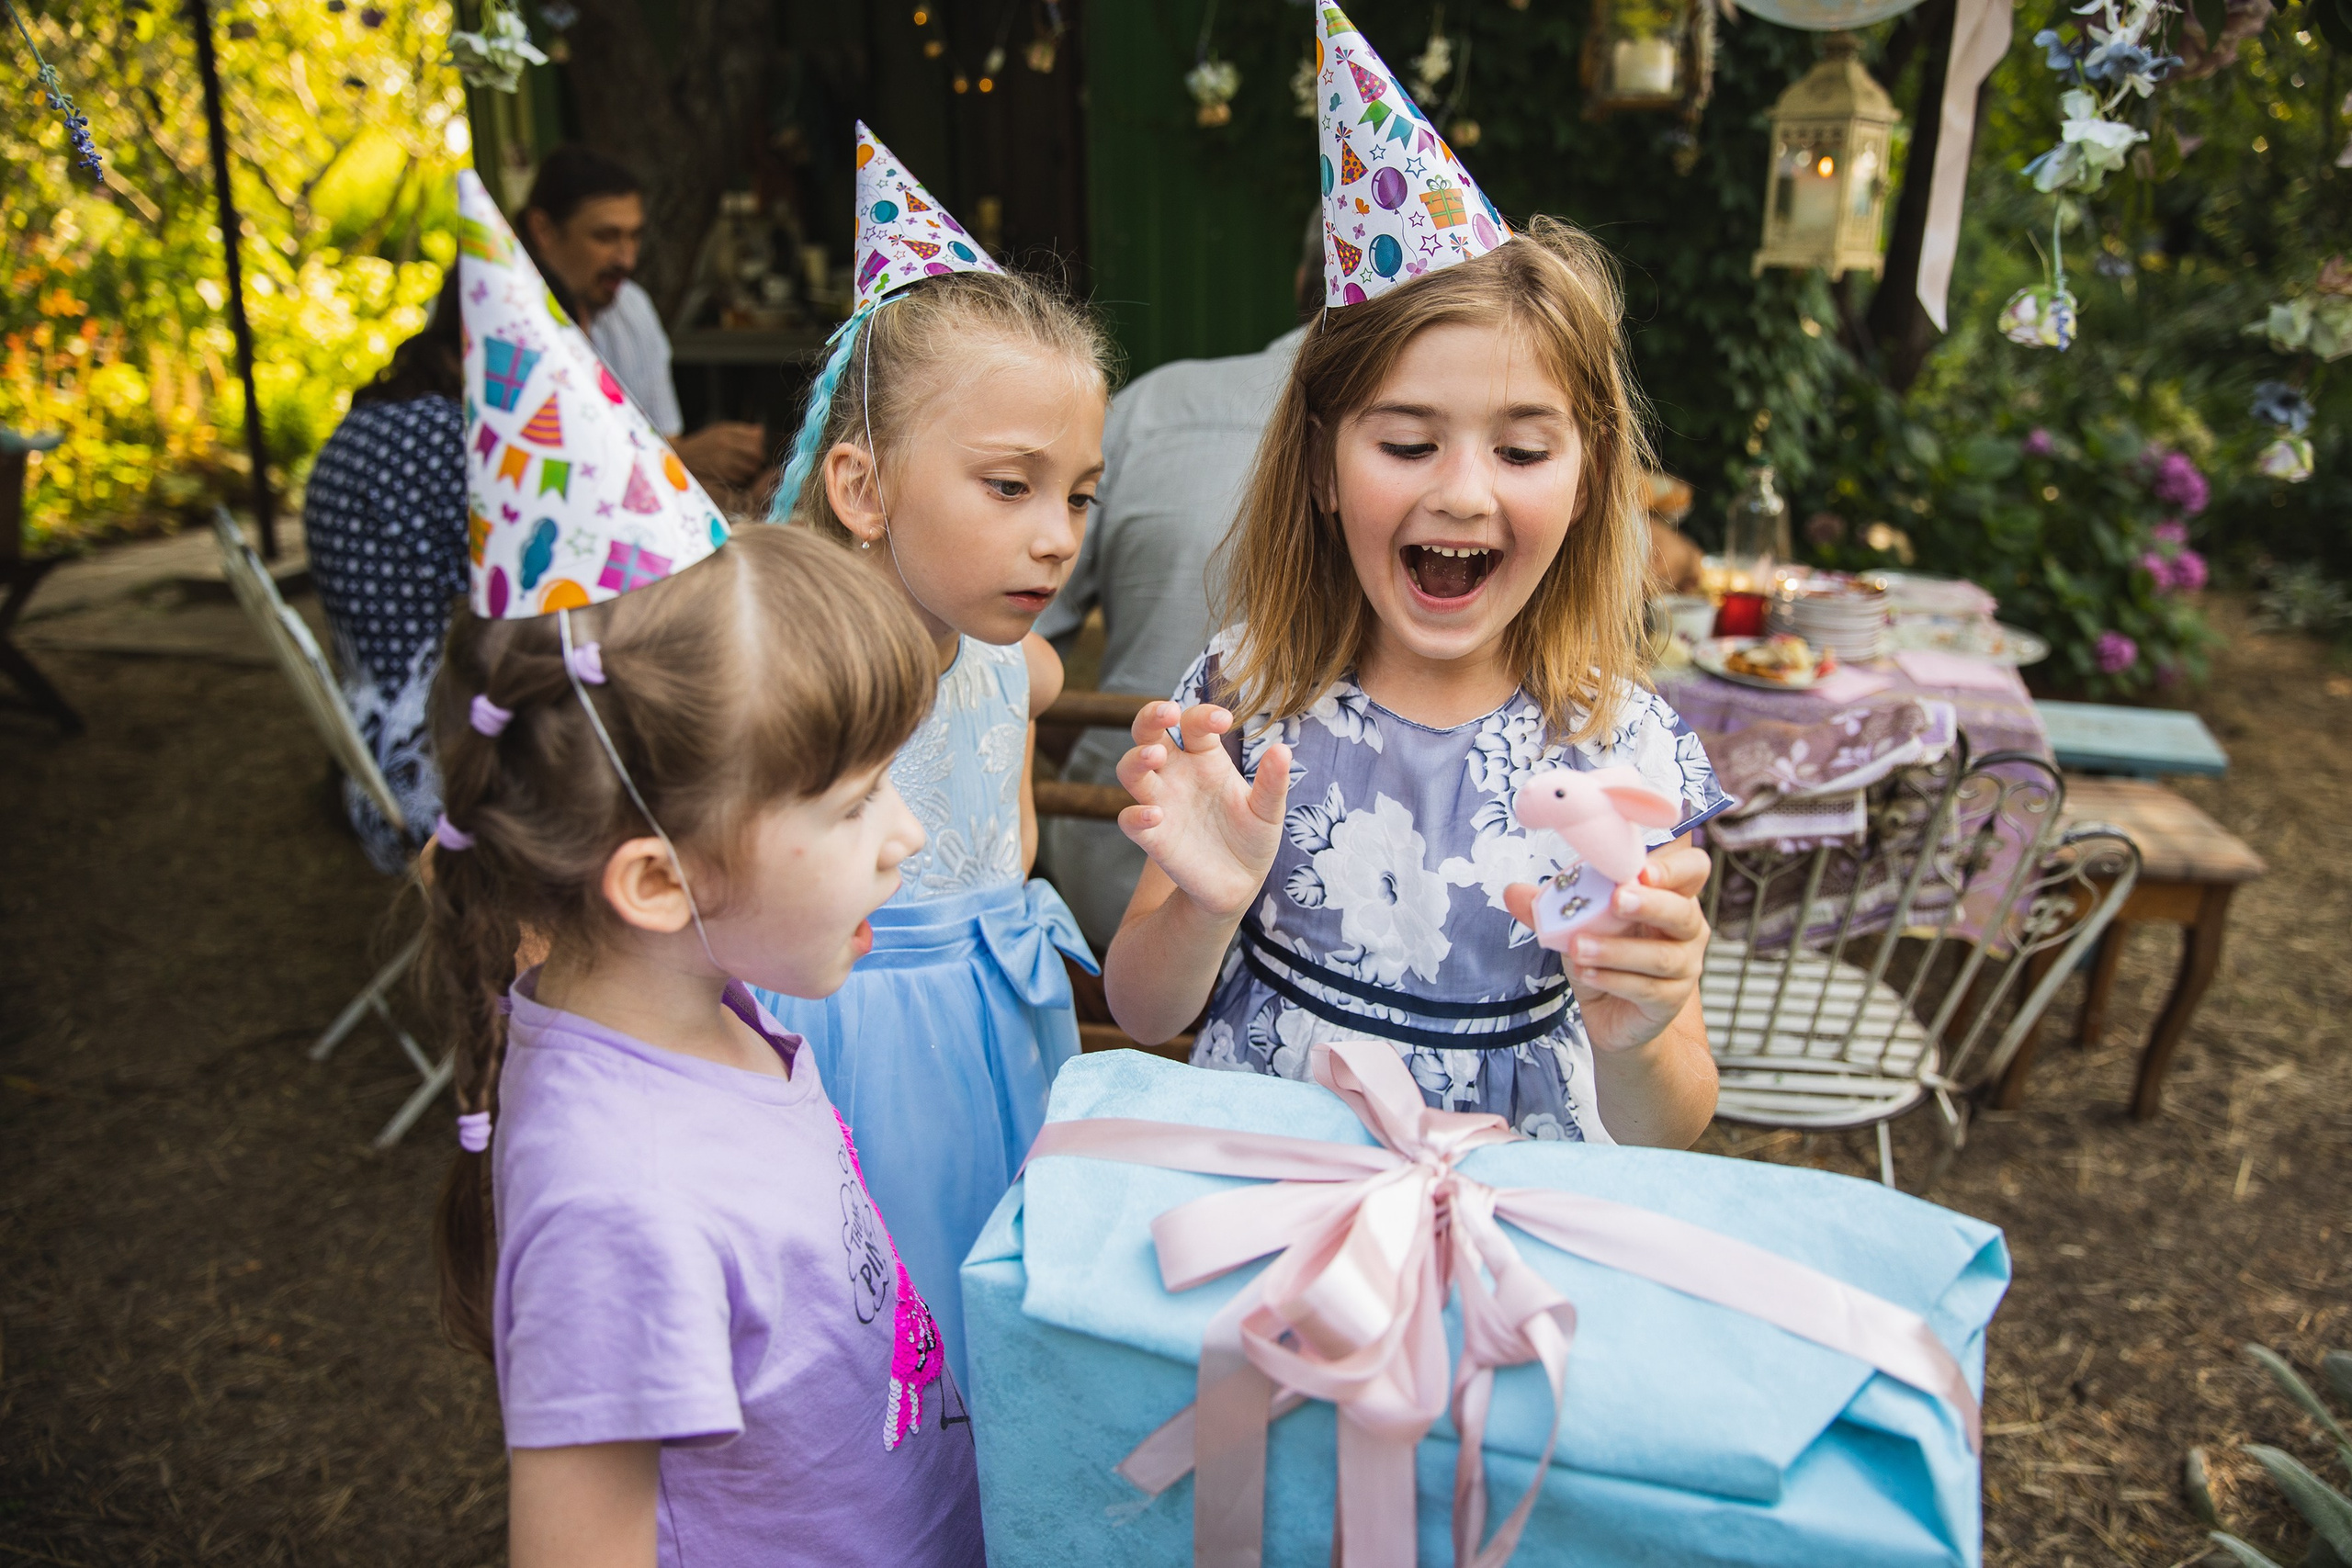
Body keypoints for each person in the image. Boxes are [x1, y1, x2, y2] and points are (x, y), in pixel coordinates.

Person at [429, 174, 982, 1568]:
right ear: (659, 881)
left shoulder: (708, 998)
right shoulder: (619, 1201)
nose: (906, 836)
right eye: (854, 803)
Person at [1099, 10, 1729, 1148]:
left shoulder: (1624, 753)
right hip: (1279, 1181)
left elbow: (1669, 1125)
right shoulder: (1247, 699)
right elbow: (1145, 1011)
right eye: (1405, 443)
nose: (1464, 493)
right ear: (1323, 468)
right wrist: (1204, 900)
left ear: (1588, 482)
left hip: (1513, 1204)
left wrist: (1641, 1034)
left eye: (1522, 451)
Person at [749, 125, 1112, 1390]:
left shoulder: (1009, 660)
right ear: (862, 489)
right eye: (1010, 486)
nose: (1057, 537)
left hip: (1008, 1030)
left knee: (1005, 1335)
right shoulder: (794, 680)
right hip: (863, 1050)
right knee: (891, 1345)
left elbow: (1025, 686)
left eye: (1078, 494)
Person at [1036, 210, 1325, 953]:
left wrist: (1110, 755)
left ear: (1301, 282)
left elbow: (1012, 642)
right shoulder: (1465, 480)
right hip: (1316, 909)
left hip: (1114, 859)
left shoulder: (1155, 406)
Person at [301, 265, 469, 871]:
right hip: (428, 774)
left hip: (373, 751)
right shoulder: (444, 435)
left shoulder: (382, 420)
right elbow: (542, 606)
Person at [520, 146, 768, 493]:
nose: (627, 260)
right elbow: (533, 476)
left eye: (634, 236)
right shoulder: (507, 323)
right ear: (543, 230)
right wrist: (681, 459)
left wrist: (753, 501)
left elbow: (667, 454)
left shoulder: (631, 307)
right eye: (605, 237)